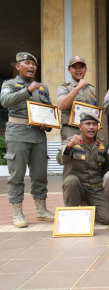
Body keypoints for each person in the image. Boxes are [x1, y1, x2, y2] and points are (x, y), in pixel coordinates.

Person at [0, 52, 54, 228]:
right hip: (18, 133)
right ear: (18, 66)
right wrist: (27, 90)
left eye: (34, 64)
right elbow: (6, 101)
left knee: (40, 174)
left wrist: (49, 125)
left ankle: (41, 209)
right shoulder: (10, 84)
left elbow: (48, 110)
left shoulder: (42, 87)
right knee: (17, 174)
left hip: (38, 134)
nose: (31, 67)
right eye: (27, 63)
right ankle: (17, 211)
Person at [57, 113, 109, 224]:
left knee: (107, 218)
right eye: (88, 124)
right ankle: (71, 214)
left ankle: (88, 205)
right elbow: (60, 160)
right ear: (80, 127)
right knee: (70, 181)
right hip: (77, 187)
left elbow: (106, 166)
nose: (91, 127)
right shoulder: (71, 141)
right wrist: (69, 147)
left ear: (98, 128)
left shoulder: (103, 145)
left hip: (95, 189)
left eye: (94, 124)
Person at [57, 55, 97, 141]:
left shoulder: (91, 89)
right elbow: (61, 106)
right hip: (71, 130)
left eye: (81, 67)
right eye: (74, 67)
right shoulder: (65, 87)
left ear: (85, 69)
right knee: (71, 154)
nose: (78, 70)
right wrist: (78, 87)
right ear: (69, 70)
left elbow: (94, 111)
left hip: (89, 130)